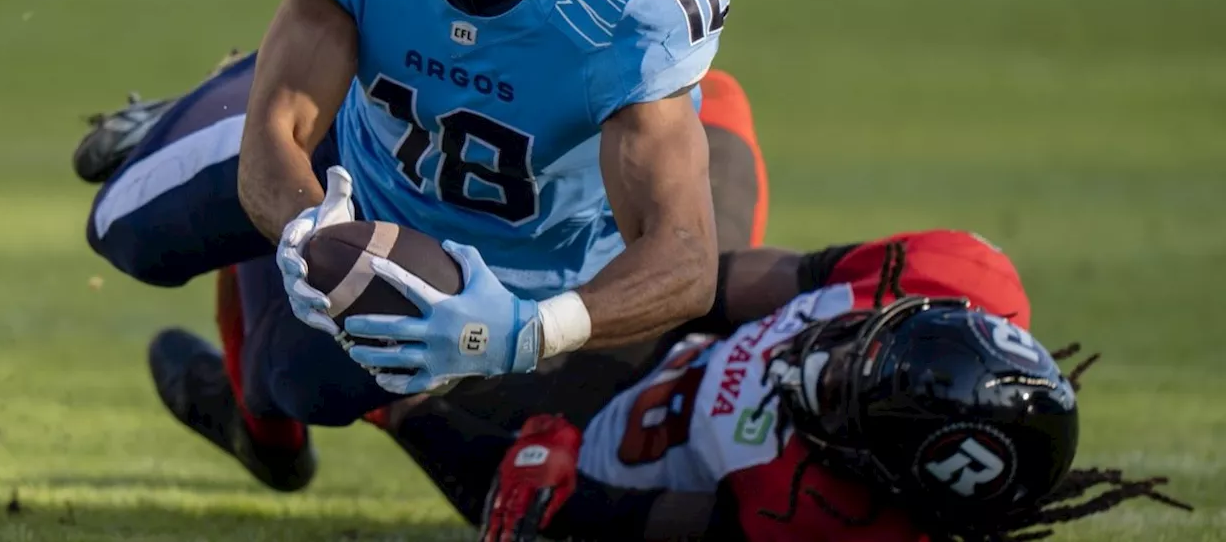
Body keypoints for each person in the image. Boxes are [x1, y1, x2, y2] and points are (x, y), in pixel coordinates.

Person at [363, 231, 1192, 541]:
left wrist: (562, 495)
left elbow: (637, 520)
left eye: (840, 398)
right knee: (709, 110)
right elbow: (730, 283)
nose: (816, 364)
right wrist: (589, 302)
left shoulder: (823, 518)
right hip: (668, 338)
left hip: (605, 439)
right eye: (854, 348)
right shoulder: (954, 271)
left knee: (369, 365)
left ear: (882, 472)